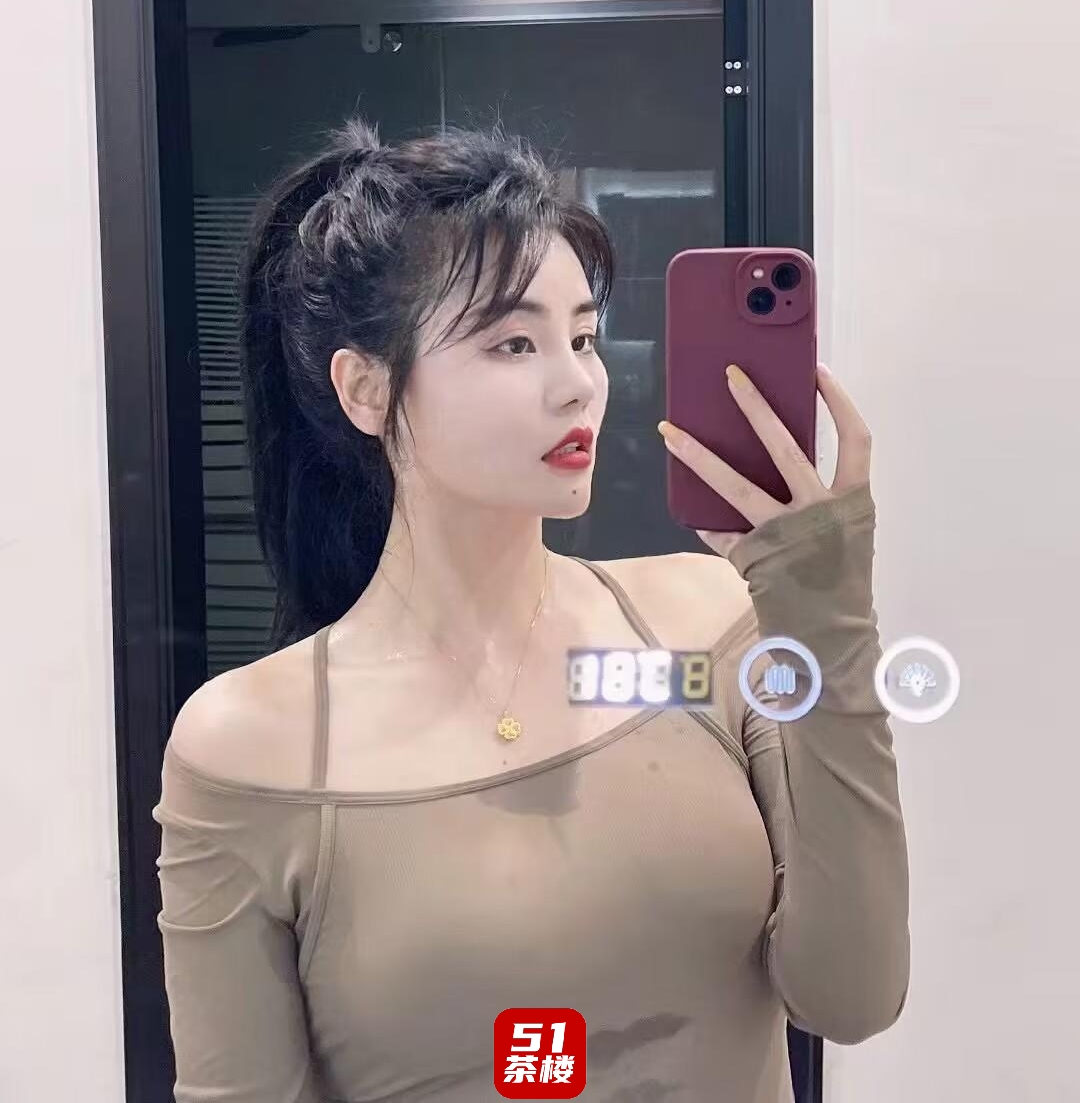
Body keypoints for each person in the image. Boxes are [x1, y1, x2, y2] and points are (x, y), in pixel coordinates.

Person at [152, 117, 910, 1103]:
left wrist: (825, 612)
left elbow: (852, 994)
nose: (578, 385)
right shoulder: (252, 742)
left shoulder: (705, 628)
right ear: (366, 388)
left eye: (584, 337)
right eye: (514, 342)